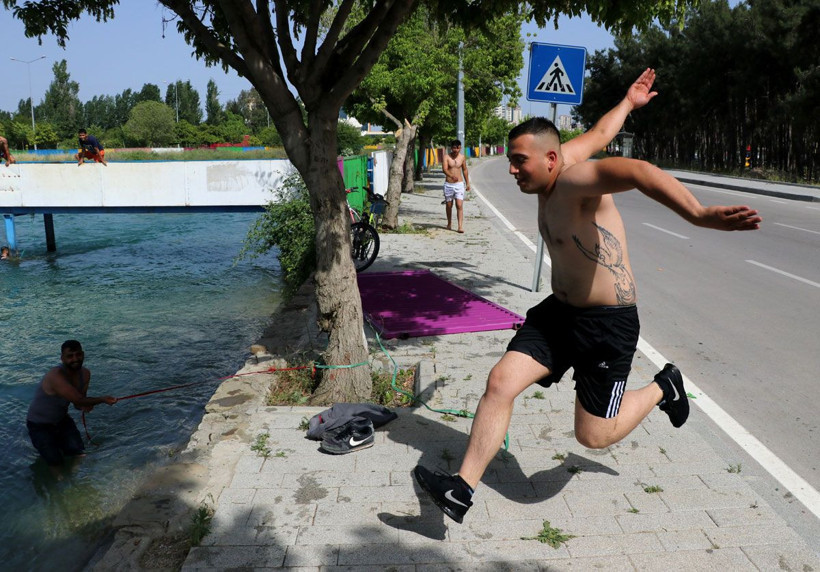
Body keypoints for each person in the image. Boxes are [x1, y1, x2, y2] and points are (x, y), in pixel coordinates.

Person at [413, 70, 762, 524]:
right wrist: (628, 102)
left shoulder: (577, 182)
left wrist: (697, 214)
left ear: (552, 158)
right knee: (500, 382)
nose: (513, 170)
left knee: (593, 436)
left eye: (520, 162)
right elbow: (599, 131)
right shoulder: (557, 163)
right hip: (560, 314)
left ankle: (664, 385)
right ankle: (461, 490)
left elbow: (637, 172)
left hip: (607, 325)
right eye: (510, 163)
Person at [26, 340, 117, 477]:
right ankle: (61, 484)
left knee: (78, 452)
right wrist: (103, 399)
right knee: (54, 461)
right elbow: (78, 399)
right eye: (70, 356)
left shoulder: (85, 374)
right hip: (39, 425)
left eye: (78, 354)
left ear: (83, 354)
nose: (75, 359)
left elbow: (78, 403)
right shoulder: (55, 375)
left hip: (62, 420)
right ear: (62, 358)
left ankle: (76, 479)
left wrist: (85, 406)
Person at [442, 139, 471, 233]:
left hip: (459, 184)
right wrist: (451, 176)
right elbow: (444, 169)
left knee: (459, 205)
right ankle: (449, 223)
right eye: (454, 148)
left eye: (458, 148)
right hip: (449, 184)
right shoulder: (446, 157)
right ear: (451, 148)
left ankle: (460, 226)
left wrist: (468, 183)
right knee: (449, 205)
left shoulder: (462, 157)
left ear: (460, 148)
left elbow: (465, 170)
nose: (456, 150)